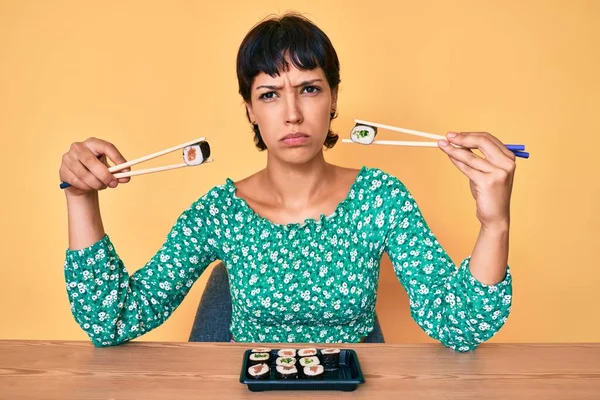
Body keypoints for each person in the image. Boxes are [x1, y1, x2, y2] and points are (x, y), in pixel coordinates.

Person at [60, 13, 514, 352]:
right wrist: (80, 198)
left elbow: (461, 325)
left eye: (309, 88)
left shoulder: (381, 199)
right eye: (270, 94)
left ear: (334, 96)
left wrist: (494, 224)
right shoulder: (219, 212)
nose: (292, 113)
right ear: (250, 110)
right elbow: (112, 320)